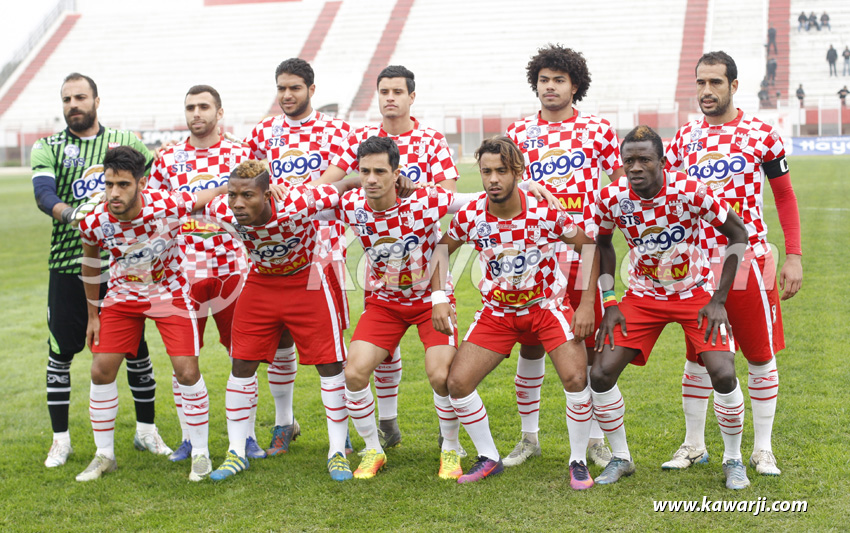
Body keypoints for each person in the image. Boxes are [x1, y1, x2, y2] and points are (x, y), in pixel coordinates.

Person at [431, 136, 600, 488]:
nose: (493, 179)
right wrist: (438, 297)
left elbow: (589, 248)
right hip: (498, 312)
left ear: (518, 172)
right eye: (486, 171)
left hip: (546, 306)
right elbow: (441, 251)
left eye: (502, 171)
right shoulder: (471, 214)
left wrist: (586, 304)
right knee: (457, 383)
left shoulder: (544, 210)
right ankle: (489, 457)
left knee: (575, 378)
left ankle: (578, 460)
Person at [664, 51, 802, 477]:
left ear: (734, 86)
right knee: (697, 357)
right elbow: (662, 195)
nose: (706, 91)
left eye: (716, 83)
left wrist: (793, 255)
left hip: (748, 262)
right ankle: (693, 445)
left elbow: (784, 196)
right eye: (700, 82)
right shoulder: (684, 138)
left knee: (759, 355)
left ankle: (762, 449)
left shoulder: (761, 134)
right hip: (698, 265)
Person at [590, 125, 750, 490]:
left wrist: (718, 299)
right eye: (629, 160)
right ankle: (621, 457)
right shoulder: (611, 197)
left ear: (662, 162)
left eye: (645, 159)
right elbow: (603, 244)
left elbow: (738, 233)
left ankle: (733, 460)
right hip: (643, 296)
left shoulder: (690, 190)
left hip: (694, 292)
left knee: (723, 374)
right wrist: (610, 300)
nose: (635, 167)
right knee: (600, 374)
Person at [312, 64, 461, 450]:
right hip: (382, 272)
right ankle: (386, 423)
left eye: (397, 92)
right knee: (381, 354)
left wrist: (412, 192)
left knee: (440, 371)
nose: (390, 98)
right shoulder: (361, 138)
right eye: (384, 92)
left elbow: (448, 196)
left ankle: (448, 440)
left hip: (425, 265)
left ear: (412, 96)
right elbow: (330, 182)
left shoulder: (430, 139)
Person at [31, 73, 167, 469]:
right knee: (61, 353)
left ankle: (146, 431)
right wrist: (76, 215)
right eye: (67, 99)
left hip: (124, 266)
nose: (73, 104)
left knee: (136, 351)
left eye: (80, 97)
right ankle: (60, 441)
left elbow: (157, 181)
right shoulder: (49, 146)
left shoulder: (125, 142)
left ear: (96, 101)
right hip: (68, 264)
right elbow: (43, 193)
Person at [503, 44, 624, 468]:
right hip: (535, 259)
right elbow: (504, 189)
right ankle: (529, 437)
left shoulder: (597, 130)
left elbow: (621, 182)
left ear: (575, 86)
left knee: (589, 347)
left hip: (583, 256)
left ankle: (595, 441)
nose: (550, 87)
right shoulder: (518, 134)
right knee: (531, 348)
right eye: (543, 80)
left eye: (559, 80)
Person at [75, 146, 228, 481]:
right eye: (109, 184)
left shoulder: (166, 205)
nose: (114, 193)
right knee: (100, 370)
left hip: (168, 293)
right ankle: (104, 455)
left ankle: (201, 453)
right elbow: (90, 262)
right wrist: (93, 315)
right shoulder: (94, 219)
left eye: (123, 185)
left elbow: (204, 196)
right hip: (122, 295)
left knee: (187, 371)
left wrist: (231, 185)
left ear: (141, 183)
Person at [201, 160, 360, 481]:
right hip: (261, 282)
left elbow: (346, 183)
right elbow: (196, 201)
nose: (238, 204)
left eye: (247, 195)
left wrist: (396, 183)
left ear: (267, 195)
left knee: (330, 365)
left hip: (306, 280)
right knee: (240, 364)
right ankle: (235, 453)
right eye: (233, 195)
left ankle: (337, 451)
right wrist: (222, 189)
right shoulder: (222, 208)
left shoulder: (298, 202)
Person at [328, 136, 471, 480]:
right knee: (354, 373)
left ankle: (451, 448)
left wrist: (527, 188)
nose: (371, 179)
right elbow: (311, 200)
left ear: (397, 174)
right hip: (386, 303)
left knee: (441, 376)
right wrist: (346, 182)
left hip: (429, 300)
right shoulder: (351, 205)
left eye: (380, 171)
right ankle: (372, 449)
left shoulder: (424, 200)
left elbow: (478, 199)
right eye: (365, 171)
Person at [244, 58, 353, 456]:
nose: (287, 95)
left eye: (294, 88)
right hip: (278, 248)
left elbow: (338, 176)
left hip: (325, 246)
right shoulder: (263, 132)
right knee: (280, 339)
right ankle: (284, 422)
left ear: (311, 89)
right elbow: (250, 180)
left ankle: (344, 432)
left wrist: (294, 198)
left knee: (331, 345)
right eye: (281, 88)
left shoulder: (336, 129)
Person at [147, 85, 261, 461]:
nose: (196, 113)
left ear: (219, 112)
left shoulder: (241, 155)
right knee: (183, 360)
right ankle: (188, 438)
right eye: (190, 107)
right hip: (184, 273)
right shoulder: (168, 158)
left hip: (233, 269)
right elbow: (154, 210)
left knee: (242, 356)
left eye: (203, 107)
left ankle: (246, 437)